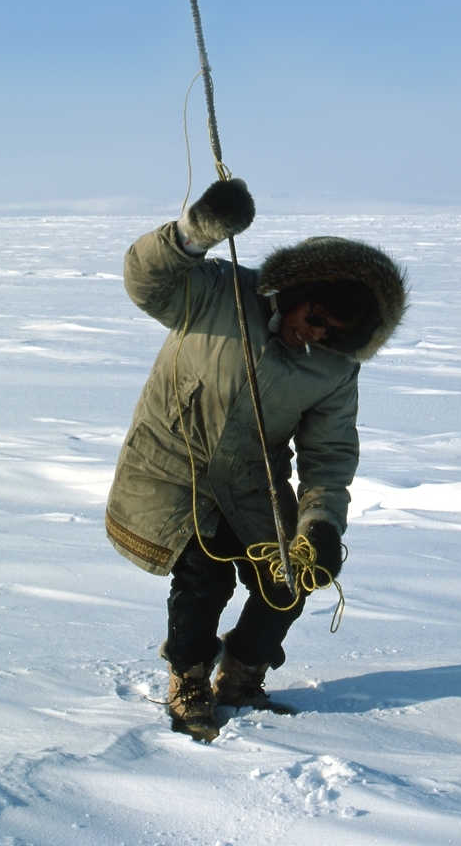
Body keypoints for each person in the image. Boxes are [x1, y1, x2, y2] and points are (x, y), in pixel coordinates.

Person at [106, 179, 408, 740]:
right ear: (298, 289)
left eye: (332, 334)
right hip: (174, 465)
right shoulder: (220, 290)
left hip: (253, 481)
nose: (313, 335)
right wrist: (195, 234)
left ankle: (241, 675)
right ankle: (188, 678)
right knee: (205, 575)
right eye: (313, 316)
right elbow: (145, 280)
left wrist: (320, 524)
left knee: (291, 578)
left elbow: (330, 454)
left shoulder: (335, 370)